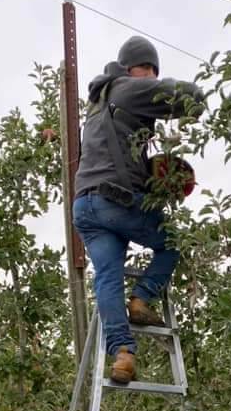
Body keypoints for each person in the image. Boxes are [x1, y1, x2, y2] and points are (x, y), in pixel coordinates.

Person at [72, 36, 205, 383]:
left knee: (107, 278)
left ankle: (122, 353)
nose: (151, 78)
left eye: (154, 73)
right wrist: (183, 91)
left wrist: (150, 176)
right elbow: (190, 99)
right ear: (134, 68)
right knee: (172, 241)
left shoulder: (99, 103)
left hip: (85, 205)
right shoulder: (128, 89)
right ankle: (142, 299)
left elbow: (114, 158)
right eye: (148, 70)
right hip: (114, 203)